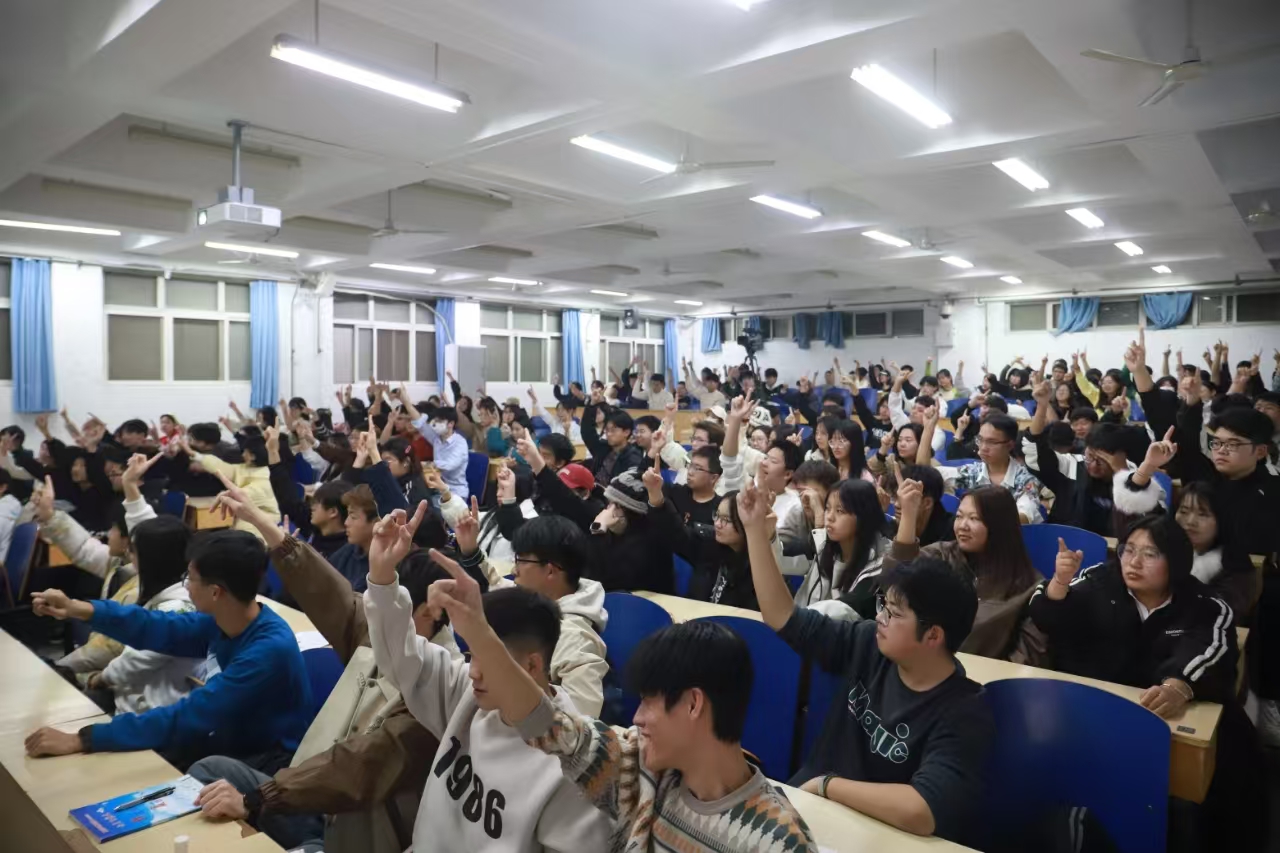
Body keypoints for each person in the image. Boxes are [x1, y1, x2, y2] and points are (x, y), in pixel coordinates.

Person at [422, 538, 818, 852]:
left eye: (649, 701)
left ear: (693, 704)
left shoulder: (776, 841)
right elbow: (546, 722)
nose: (637, 717)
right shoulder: (639, 769)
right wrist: (479, 633)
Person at [187, 488, 460, 853]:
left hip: (359, 828)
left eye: (388, 603)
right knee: (210, 770)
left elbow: (360, 767)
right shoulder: (388, 630)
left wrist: (257, 799)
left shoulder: (441, 686)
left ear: (429, 611)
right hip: (315, 798)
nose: (376, 611)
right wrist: (259, 520)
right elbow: (332, 595)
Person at [738, 481, 992, 845]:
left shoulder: (962, 710)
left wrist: (828, 785)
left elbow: (921, 810)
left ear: (933, 635)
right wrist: (754, 533)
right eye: (883, 606)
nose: (881, 619)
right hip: (809, 816)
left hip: (876, 838)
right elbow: (782, 617)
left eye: (894, 613)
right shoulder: (868, 643)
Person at [362, 503, 613, 852]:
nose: (473, 670)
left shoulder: (570, 763)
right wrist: (382, 578)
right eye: (472, 655)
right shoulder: (470, 693)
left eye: (489, 658)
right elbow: (401, 656)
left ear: (532, 666)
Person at [25, 529, 312, 774]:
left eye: (190, 579)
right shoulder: (226, 619)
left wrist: (81, 739)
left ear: (215, 592)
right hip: (228, 739)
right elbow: (155, 626)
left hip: (265, 762)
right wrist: (78, 608)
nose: (185, 587)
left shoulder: (266, 651)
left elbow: (192, 715)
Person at [1029, 515, 1238, 713]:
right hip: (1091, 704)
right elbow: (1045, 617)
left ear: (1176, 561)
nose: (1134, 562)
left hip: (1163, 712)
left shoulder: (1202, 604)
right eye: (1128, 550)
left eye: (1150, 554)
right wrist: (1060, 581)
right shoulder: (1101, 580)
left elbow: (1206, 651)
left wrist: (1176, 687)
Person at [891, 481, 1042, 660]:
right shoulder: (941, 555)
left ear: (999, 526)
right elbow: (895, 581)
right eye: (959, 516)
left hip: (982, 675)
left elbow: (1027, 659)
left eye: (974, 519)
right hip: (924, 665)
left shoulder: (1029, 586)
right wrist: (908, 516)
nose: (962, 525)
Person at [486, 514, 609, 716]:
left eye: (520, 560)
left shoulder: (574, 637)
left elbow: (582, 719)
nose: (514, 570)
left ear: (550, 571)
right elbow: (499, 583)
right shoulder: (540, 605)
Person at [1025, 379, 1168, 536]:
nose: (1092, 465)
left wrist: (1121, 473)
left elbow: (1156, 522)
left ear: (1121, 457)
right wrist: (1042, 406)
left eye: (1101, 461)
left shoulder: (1139, 477)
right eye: (1090, 457)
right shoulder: (1073, 464)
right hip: (1069, 541)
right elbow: (1036, 451)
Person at [793, 478, 890, 616]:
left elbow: (844, 610)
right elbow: (781, 557)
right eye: (827, 508)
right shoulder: (822, 542)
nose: (829, 517)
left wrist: (795, 617)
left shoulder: (881, 562)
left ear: (864, 516)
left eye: (840, 511)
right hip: (806, 622)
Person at [1172, 480, 1260, 616]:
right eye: (1183, 511)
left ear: (1222, 520)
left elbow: (1220, 614)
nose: (1190, 521)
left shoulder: (1235, 564)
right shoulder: (1166, 551)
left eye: (1203, 514)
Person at [945, 414, 1043, 525]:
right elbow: (934, 476)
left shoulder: (1025, 479)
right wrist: (930, 429)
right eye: (980, 439)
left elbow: (1025, 516)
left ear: (1010, 445)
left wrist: (979, 520)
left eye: (991, 442)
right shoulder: (973, 472)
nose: (983, 447)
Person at [403, 402, 469, 501]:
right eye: (434, 420)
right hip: (437, 489)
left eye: (439, 421)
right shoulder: (437, 438)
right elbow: (421, 424)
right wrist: (405, 400)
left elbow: (450, 465)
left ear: (451, 424)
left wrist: (430, 464)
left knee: (424, 506)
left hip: (455, 492)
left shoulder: (460, 443)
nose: (435, 424)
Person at [580, 403, 644, 488]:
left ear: (626, 432)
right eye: (607, 430)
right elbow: (587, 432)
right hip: (593, 489)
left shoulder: (633, 458)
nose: (609, 434)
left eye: (613, 430)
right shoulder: (603, 448)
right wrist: (591, 405)